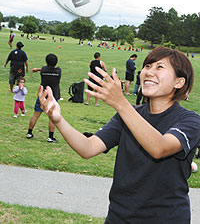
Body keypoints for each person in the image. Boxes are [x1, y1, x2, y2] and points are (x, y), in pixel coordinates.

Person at [39, 46, 200, 224]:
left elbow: (159, 148)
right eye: (147, 66)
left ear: (179, 82)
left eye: (159, 67)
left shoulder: (190, 121)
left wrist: (121, 103)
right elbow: (87, 148)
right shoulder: (128, 114)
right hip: (119, 217)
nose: (148, 72)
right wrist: (58, 120)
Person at [26, 53, 61, 142]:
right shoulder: (58, 71)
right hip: (53, 97)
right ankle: (50, 137)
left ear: (46, 62)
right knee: (52, 117)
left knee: (36, 114)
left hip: (42, 95)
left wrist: (36, 69)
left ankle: (29, 133)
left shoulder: (43, 70)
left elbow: (42, 69)